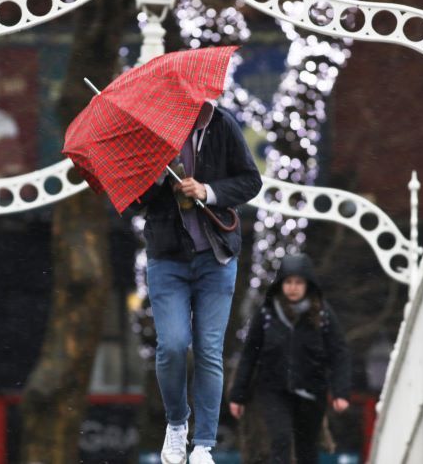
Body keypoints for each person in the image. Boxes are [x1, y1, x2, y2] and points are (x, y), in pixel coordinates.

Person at [136, 100, 262, 464]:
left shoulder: (222, 125)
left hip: (216, 258)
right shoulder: (152, 130)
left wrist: (207, 191)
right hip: (167, 260)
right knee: (173, 346)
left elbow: (250, 180)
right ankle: (176, 425)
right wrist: (158, 177)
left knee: (209, 350)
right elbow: (132, 202)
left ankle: (204, 444)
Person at [228, 253, 351, 464]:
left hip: (312, 390)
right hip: (273, 389)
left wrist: (341, 392)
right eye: (289, 282)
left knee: (307, 447)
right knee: (281, 439)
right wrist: (237, 395)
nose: (293, 287)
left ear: (307, 284)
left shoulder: (323, 314)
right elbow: (249, 354)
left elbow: (338, 352)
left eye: (298, 282)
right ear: (281, 284)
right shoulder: (267, 313)